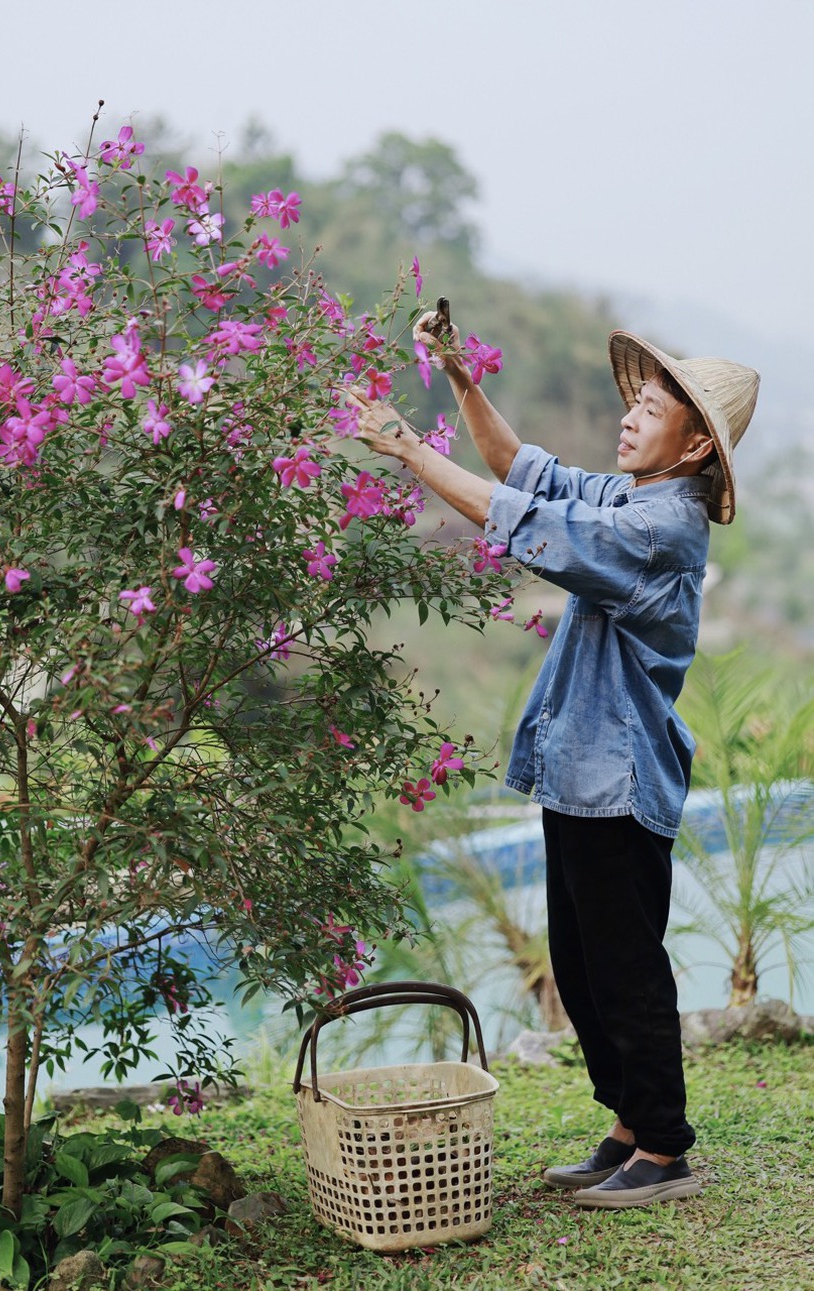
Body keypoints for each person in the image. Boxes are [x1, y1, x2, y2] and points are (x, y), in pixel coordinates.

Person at [348, 316, 760, 1209]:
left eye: (650, 410)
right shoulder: (630, 499)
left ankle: (666, 1149)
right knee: (579, 961)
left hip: (618, 779)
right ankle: (627, 1124)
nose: (629, 417)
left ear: (693, 446)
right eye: (634, 402)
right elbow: (520, 471)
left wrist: (409, 450)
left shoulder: (660, 527)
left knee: (624, 965)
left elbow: (521, 520)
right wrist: (460, 377)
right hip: (581, 768)